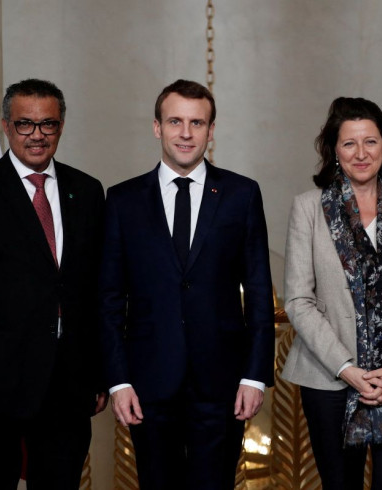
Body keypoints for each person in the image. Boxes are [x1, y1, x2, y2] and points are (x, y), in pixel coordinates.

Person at [99, 79, 275, 489]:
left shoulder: (241, 194)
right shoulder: (122, 200)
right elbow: (108, 298)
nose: (186, 133)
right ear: (157, 127)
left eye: (197, 123)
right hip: (147, 383)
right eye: (175, 121)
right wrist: (118, 380)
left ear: (211, 130)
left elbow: (260, 291)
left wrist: (254, 376)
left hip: (223, 384)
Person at [0, 79, 107, 489]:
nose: (37, 136)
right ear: (6, 126)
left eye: (47, 125)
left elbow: (98, 291)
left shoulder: (87, 190)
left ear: (61, 126)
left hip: (68, 385)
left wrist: (100, 374)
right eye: (25, 124)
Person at [282, 97, 382, 490]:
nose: (361, 153)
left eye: (370, 141)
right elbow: (298, 300)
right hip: (331, 378)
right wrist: (348, 369)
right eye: (349, 143)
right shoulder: (308, 208)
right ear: (334, 150)